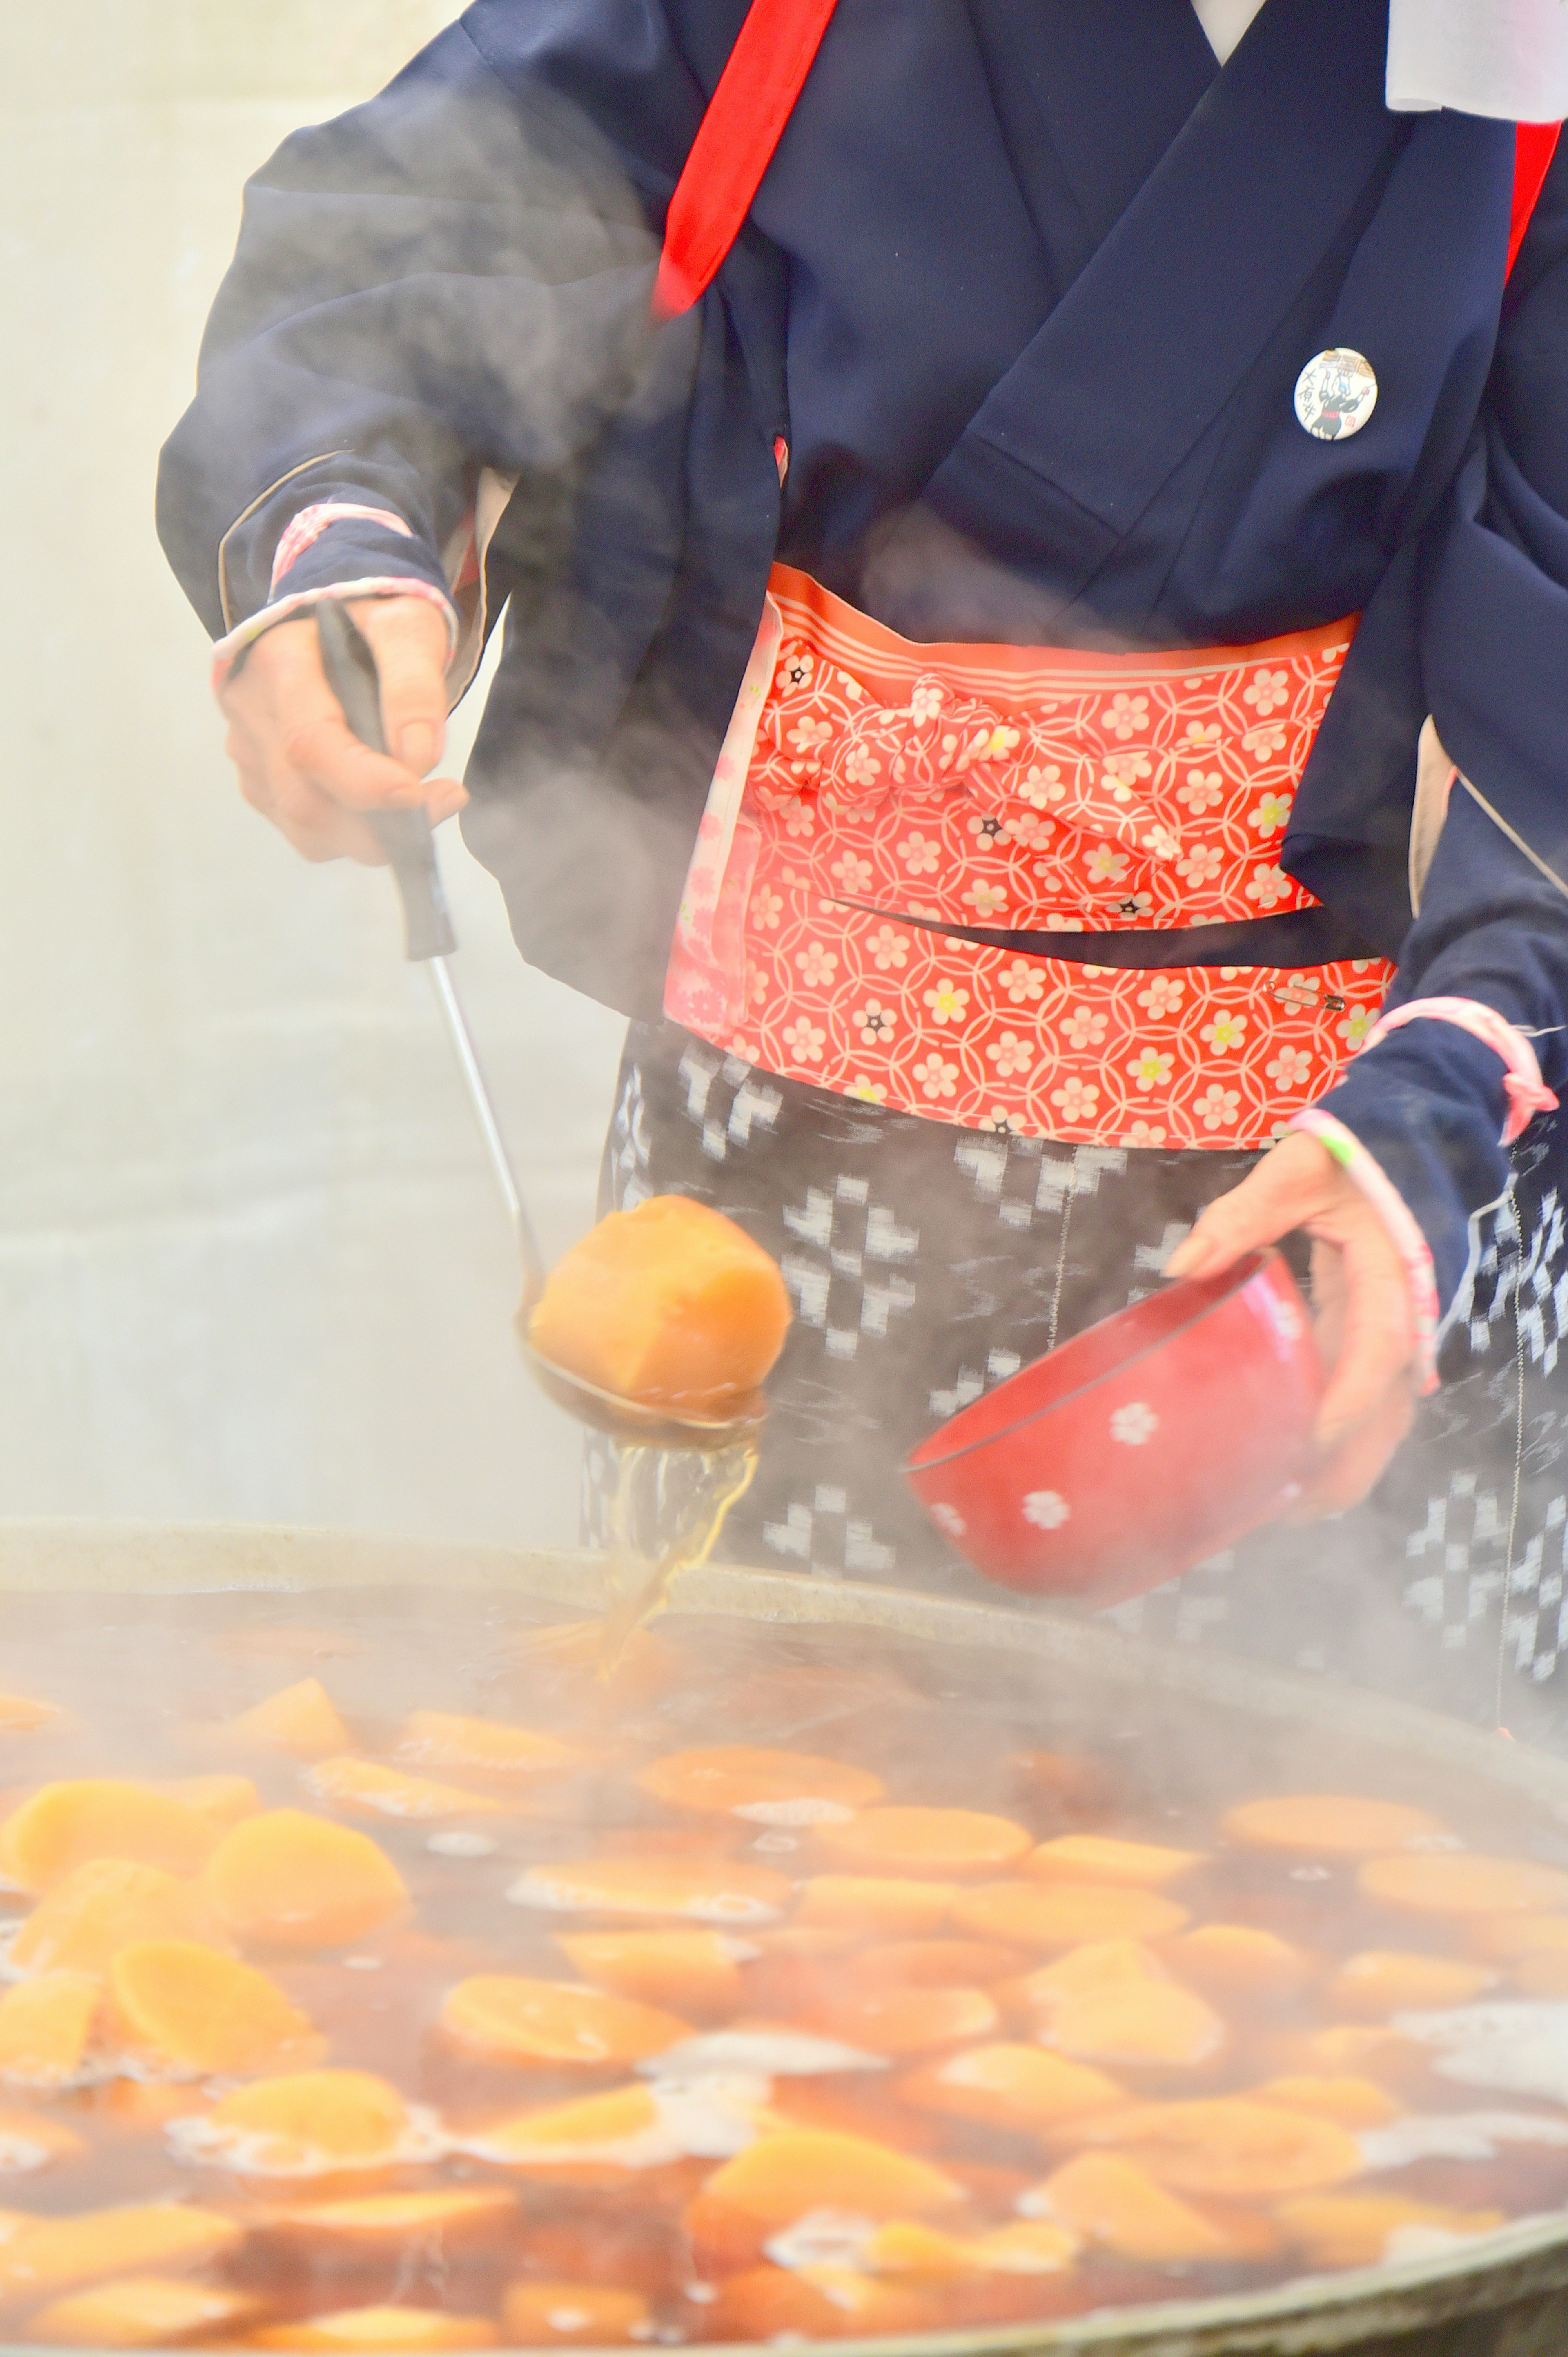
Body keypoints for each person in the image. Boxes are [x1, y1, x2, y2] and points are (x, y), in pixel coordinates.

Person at [160, 0, 1568, 1735]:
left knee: (1342, 1895)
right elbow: (432, 225)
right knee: (741, 1862)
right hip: (791, 1193)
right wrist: (340, 525)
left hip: (1349, 1201)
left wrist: (1448, 1088)